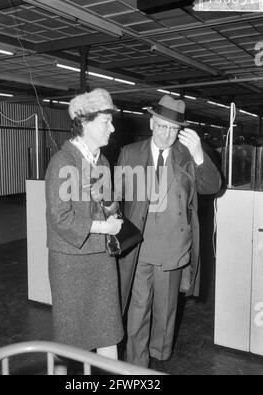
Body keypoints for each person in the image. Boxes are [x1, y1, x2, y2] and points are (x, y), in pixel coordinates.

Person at [115, 94, 221, 367]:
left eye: (173, 129)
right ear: (151, 123)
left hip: (173, 248)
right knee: (138, 310)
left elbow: (211, 187)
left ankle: (160, 354)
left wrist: (200, 157)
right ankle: (136, 366)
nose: (166, 134)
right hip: (139, 247)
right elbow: (115, 197)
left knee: (166, 310)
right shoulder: (130, 153)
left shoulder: (187, 156)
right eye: (162, 126)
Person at [45, 88, 124, 359]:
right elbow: (61, 218)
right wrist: (104, 227)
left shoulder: (102, 162)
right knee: (70, 344)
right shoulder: (62, 162)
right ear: (84, 123)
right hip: (71, 264)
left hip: (101, 261)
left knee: (109, 332)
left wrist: (111, 211)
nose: (112, 129)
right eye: (105, 122)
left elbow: (105, 204)